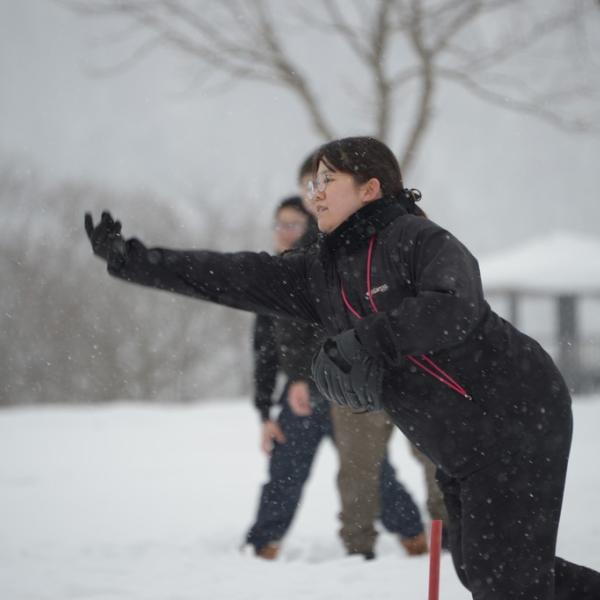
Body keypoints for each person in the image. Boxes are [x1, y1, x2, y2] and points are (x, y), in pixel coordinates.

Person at [85, 136, 600, 599]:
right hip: (460, 441)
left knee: (506, 581)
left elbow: (454, 308)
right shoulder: (320, 272)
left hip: (515, 414)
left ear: (371, 188)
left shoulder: (419, 241)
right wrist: (136, 261)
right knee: (487, 572)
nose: (316, 193)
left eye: (330, 180)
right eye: (314, 182)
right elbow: (235, 275)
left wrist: (367, 340)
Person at [246, 195, 426, 560]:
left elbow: (318, 332)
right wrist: (265, 411)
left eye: (293, 224)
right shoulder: (273, 277)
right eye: (279, 224)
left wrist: (301, 374)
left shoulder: (322, 264)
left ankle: (412, 533)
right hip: (300, 397)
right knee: (285, 471)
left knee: (371, 472)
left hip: (343, 389)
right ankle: (262, 545)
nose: (285, 232)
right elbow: (265, 353)